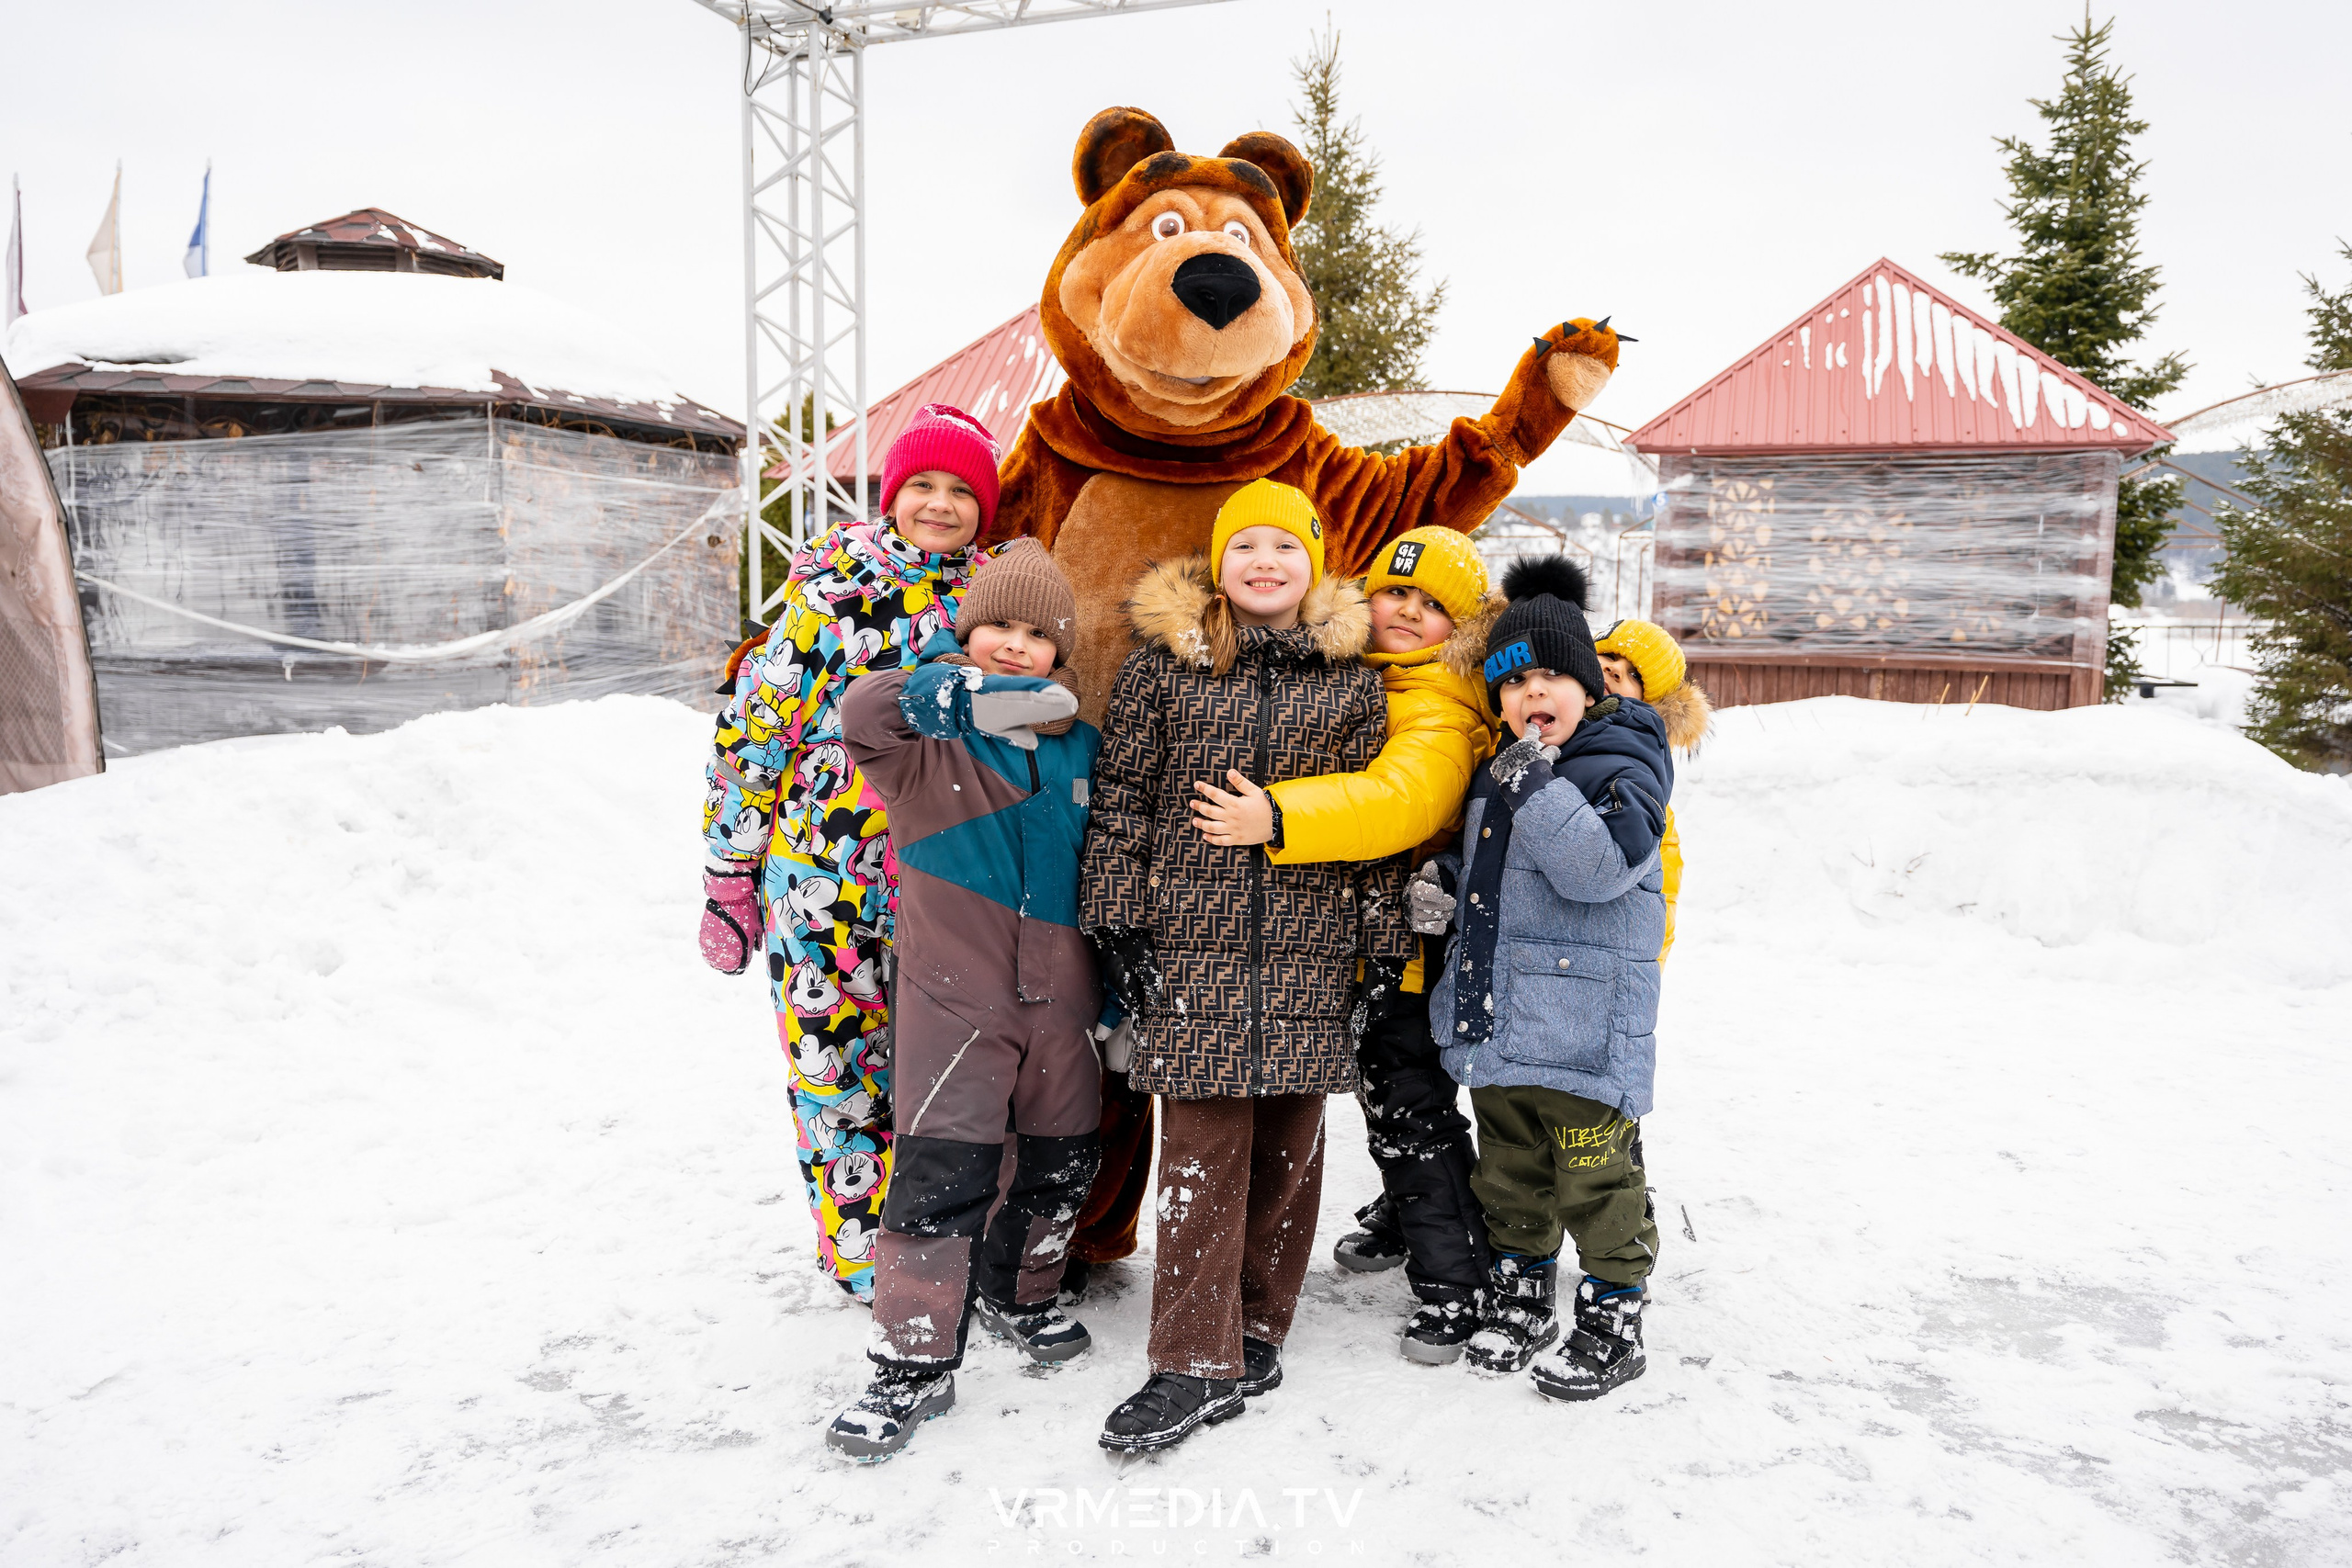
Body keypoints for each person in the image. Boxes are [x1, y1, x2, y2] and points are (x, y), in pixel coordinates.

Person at [1081, 479, 1410, 1453]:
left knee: (1288, 1152)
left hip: (1313, 952)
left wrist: (1378, 948)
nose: (1265, 563)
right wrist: (1118, 921)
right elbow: (1122, 804)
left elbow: (1372, 829)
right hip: (1193, 949)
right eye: (1245, 547)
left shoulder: (1350, 684)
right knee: (1200, 1153)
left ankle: (1260, 1324)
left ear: (1313, 565)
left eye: (1285, 547)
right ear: (1217, 567)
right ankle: (1190, 1360)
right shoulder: (1161, 673)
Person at [695, 404, 998, 1303]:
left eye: (959, 490)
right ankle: (866, 1256)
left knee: (947, 1079)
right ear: (891, 495)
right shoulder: (829, 591)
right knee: (838, 1074)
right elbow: (752, 735)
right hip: (819, 882)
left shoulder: (998, 604)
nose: (938, 505)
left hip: (951, 883)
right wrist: (728, 874)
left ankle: (947, 1238)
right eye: (921, 487)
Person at [1185, 525, 1501, 1364]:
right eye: (1397, 592)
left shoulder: (1440, 704)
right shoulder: (1373, 676)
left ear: (1463, 627)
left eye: (1436, 605)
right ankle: (1410, 1218)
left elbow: (1396, 799)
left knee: (1408, 1104)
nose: (1408, 611)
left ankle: (1455, 1279)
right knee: (1385, 1093)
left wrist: (1279, 815)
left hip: (1406, 941)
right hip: (1355, 934)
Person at [821, 540, 1106, 1460]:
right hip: (956, 1002)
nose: (1017, 647)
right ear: (966, 630)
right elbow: (858, 710)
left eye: (1037, 635)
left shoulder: (1080, 747)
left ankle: (1020, 1294)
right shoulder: (924, 740)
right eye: (1000, 628)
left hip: (1063, 1000)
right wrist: (939, 688)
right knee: (942, 1178)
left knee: (1060, 1164)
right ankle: (911, 1362)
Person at [1412, 556, 1672, 1403]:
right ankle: (1523, 1289)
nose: (1534, 692)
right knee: (1510, 1174)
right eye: (1513, 678)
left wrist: (1532, 782)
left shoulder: (1622, 763)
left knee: (1597, 1181)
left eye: (1553, 673)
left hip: (1586, 1028)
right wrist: (1448, 882)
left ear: (1590, 684)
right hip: (1506, 1018)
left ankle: (1612, 1313)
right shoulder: (1508, 769)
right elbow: (1501, 870)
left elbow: (1596, 868)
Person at [1593, 619, 1713, 960]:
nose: (1614, 669)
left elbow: (1656, 921)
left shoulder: (1649, 803)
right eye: (1609, 656)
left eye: (1635, 676)